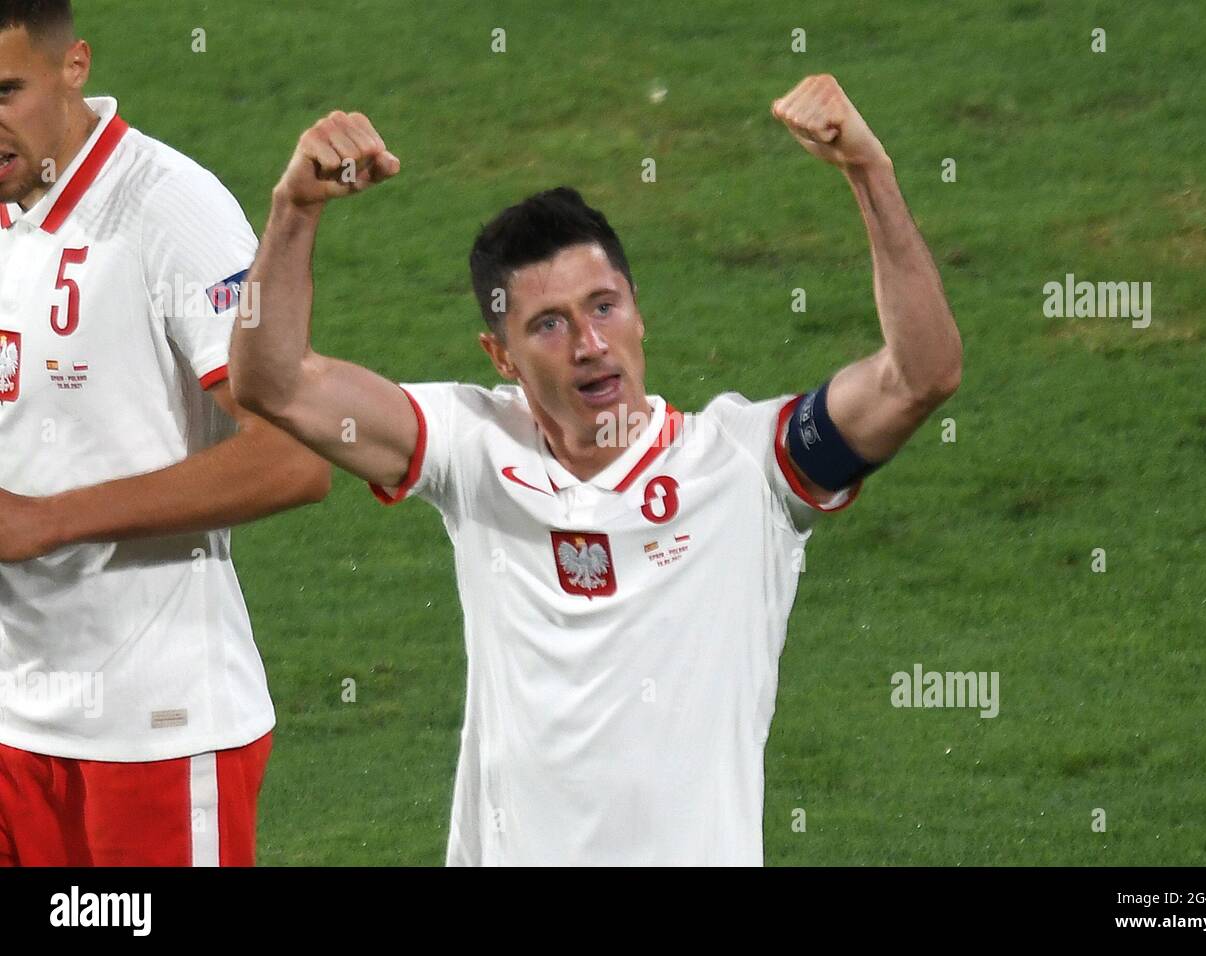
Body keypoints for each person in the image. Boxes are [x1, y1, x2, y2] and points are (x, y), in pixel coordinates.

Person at [230, 73, 961, 865]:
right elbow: (275, 383)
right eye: (549, 323)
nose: (589, 343)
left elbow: (920, 375)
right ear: (500, 356)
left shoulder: (749, 467)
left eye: (604, 306)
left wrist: (870, 173)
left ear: (639, 310)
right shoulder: (471, 449)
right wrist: (294, 213)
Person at [0, 0, 331, 866]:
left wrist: (49, 519)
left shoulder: (167, 209)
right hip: (12, 727)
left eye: (5, 92)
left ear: (74, 67)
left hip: (155, 734)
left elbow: (294, 455)